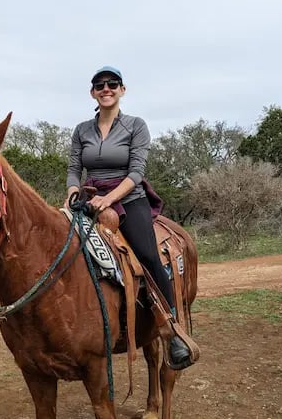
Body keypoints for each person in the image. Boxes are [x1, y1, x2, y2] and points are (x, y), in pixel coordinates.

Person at [65, 66, 198, 370]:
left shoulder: (136, 126)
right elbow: (74, 169)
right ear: (93, 93)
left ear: (122, 90)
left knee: (149, 256)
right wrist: (72, 192)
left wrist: (108, 199)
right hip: (88, 198)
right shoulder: (81, 130)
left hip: (128, 198)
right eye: (100, 85)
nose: (106, 88)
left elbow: (136, 172)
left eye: (112, 84)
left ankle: (172, 330)